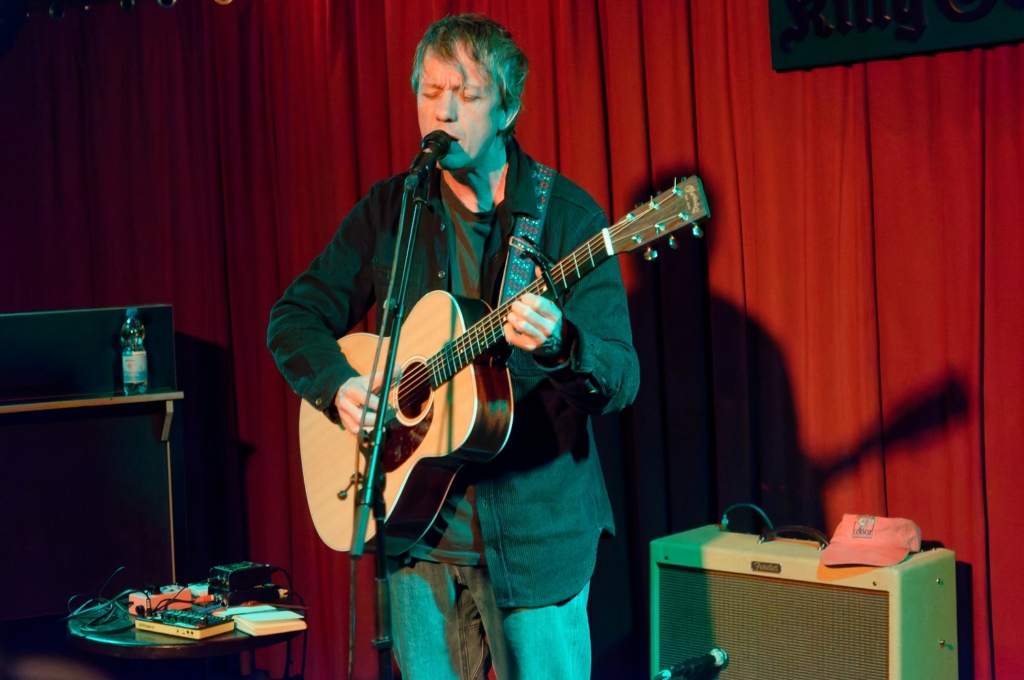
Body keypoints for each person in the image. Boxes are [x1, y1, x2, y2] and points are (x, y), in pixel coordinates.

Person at [267, 14, 639, 680]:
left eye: (464, 95)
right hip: (419, 539)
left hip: (537, 540)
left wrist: (560, 343)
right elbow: (294, 317)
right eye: (429, 91)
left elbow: (621, 376)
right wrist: (340, 387)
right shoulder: (394, 210)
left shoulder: (567, 219)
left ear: (507, 108)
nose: (442, 110)